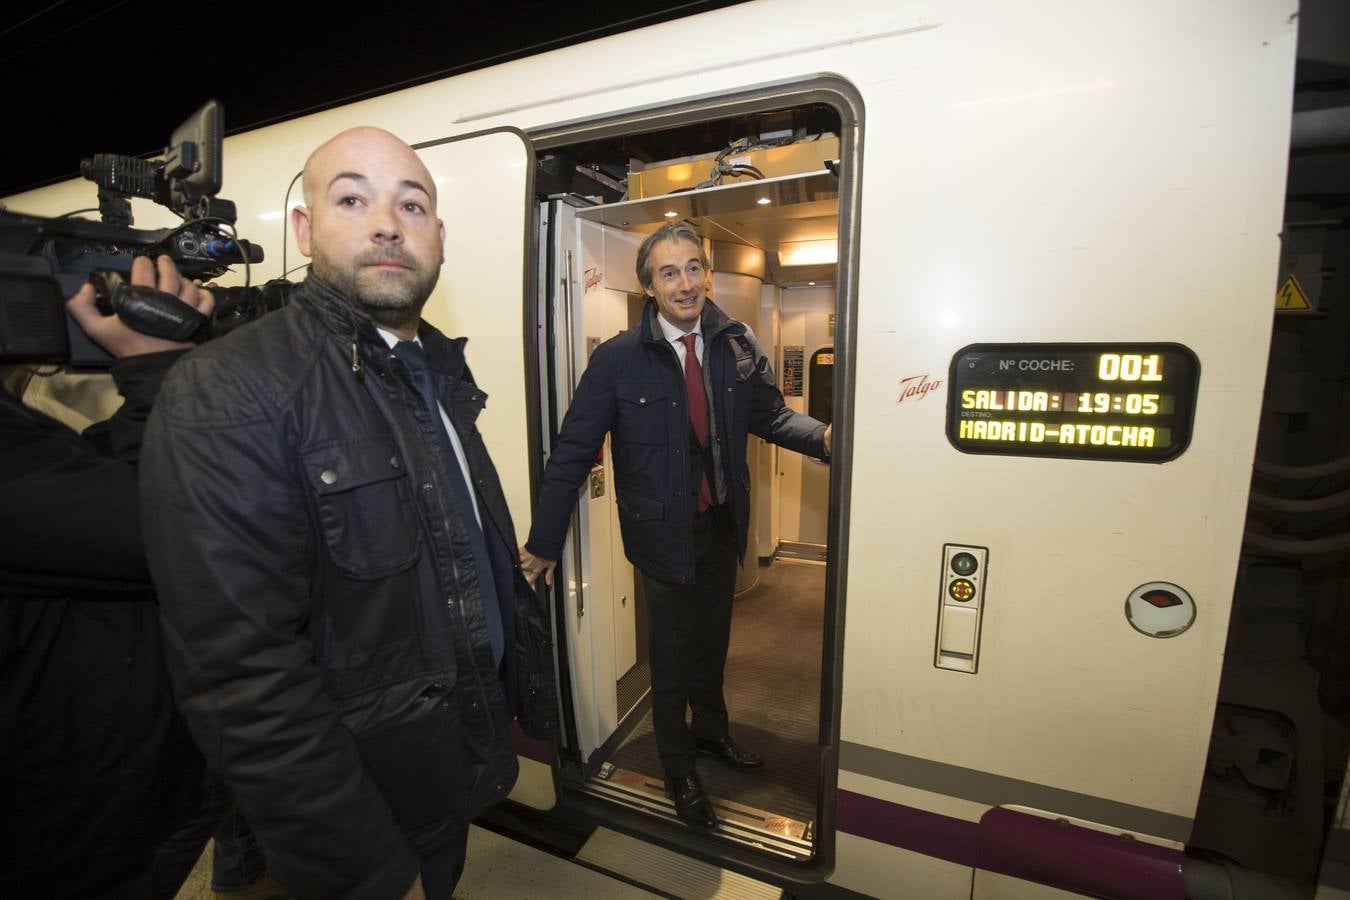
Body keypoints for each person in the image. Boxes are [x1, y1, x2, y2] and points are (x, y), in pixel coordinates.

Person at [139, 126, 555, 899]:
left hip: (441, 775)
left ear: (438, 235)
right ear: (305, 231)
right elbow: (243, 681)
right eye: (352, 199)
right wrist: (365, 872)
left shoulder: (432, 373)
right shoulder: (231, 392)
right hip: (351, 827)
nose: (387, 223)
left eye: (412, 203)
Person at [520, 220, 831, 830]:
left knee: (712, 645)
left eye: (693, 268)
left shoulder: (734, 343)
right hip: (661, 534)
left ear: (707, 273)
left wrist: (824, 436)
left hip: (721, 525)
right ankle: (678, 767)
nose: (685, 283)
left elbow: (769, 416)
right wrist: (543, 540)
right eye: (669, 272)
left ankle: (712, 735)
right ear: (649, 287)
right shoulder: (615, 361)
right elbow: (573, 452)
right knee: (670, 658)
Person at [0, 256, 211, 899]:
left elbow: (89, 485)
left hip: (90, 816)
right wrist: (161, 368)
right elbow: (178, 529)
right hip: (53, 843)